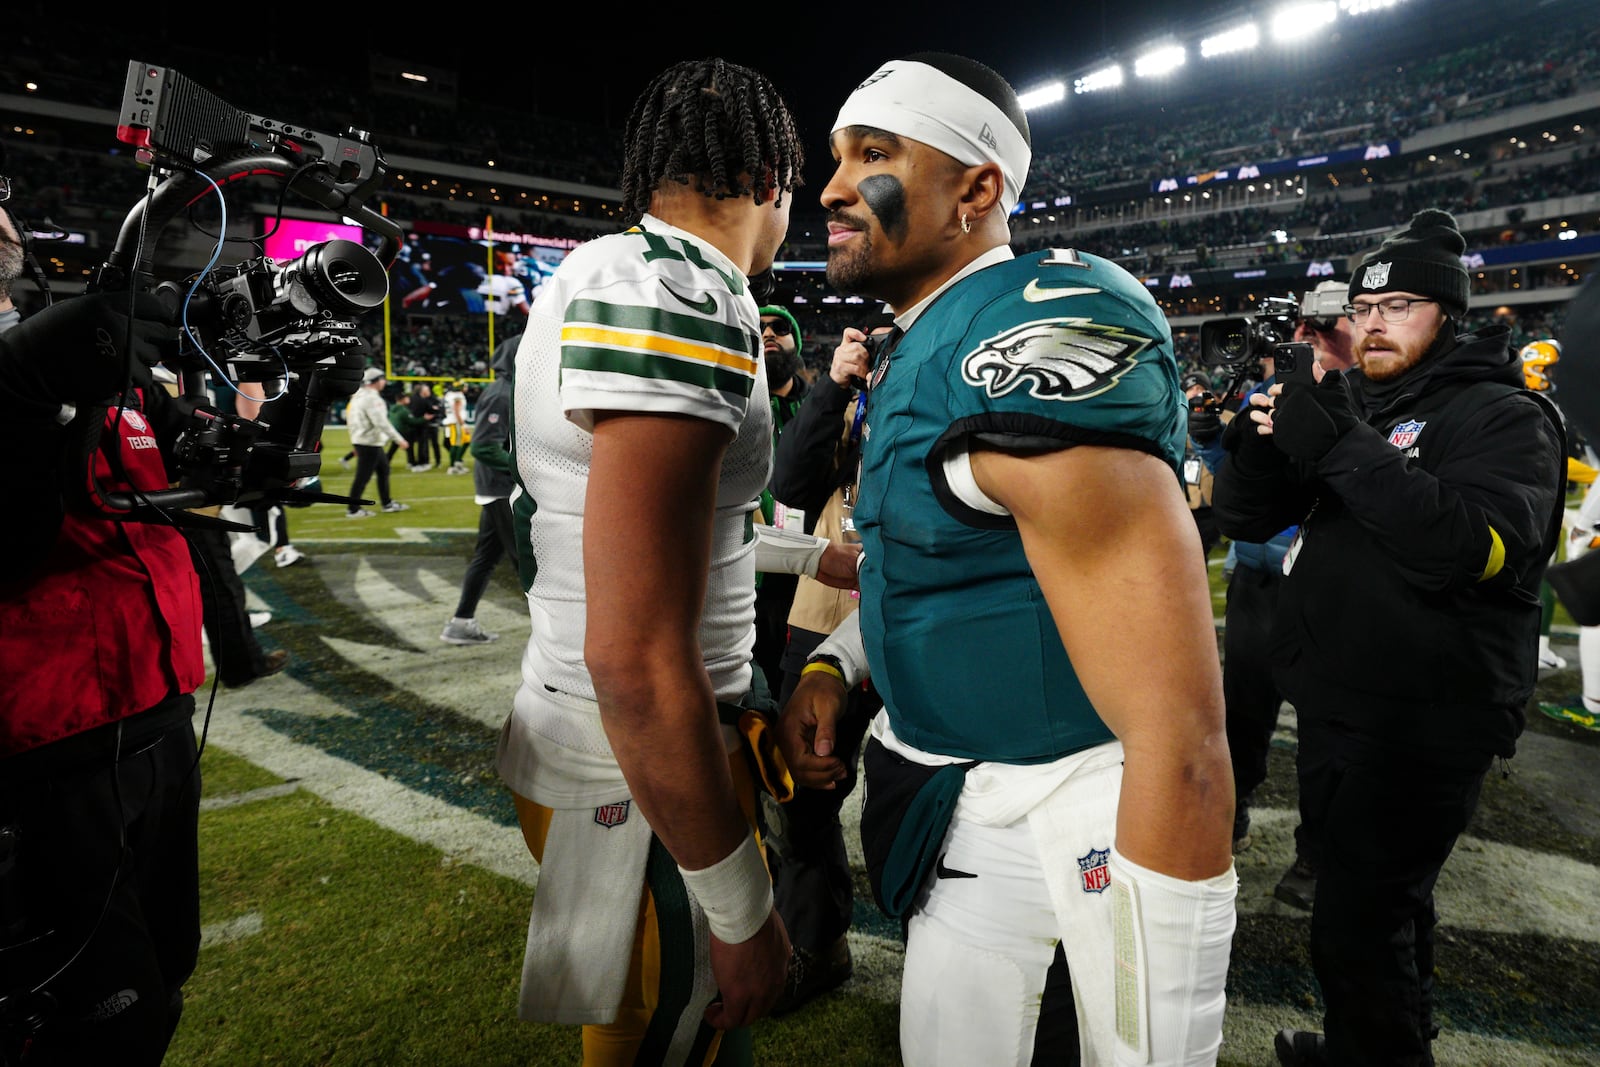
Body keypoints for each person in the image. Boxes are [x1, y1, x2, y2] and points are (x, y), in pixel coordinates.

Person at [779, 53, 1238, 1066]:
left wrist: (1159, 1021)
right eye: (837, 153)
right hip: (957, 792)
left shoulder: (1019, 333)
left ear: (978, 188)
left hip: (1074, 801)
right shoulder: (922, 341)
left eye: (875, 152)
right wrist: (842, 663)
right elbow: (949, 560)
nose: (831, 185)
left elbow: (1181, 736)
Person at [493, 57, 808, 1066]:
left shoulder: (601, 267)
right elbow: (632, 653)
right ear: (769, 177)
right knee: (684, 1028)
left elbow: (633, 508)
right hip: (644, 755)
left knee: (623, 1018)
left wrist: (812, 553)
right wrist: (740, 901)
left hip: (585, 736)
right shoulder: (682, 289)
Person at [1211, 208, 1566, 1066]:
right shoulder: (1364, 405)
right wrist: (1258, 448)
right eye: (1365, 306)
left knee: (1357, 922)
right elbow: (1245, 518)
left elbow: (1469, 549)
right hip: (1344, 701)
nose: (1373, 322)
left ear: (1450, 314)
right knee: (1385, 910)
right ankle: (1368, 1045)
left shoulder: (1504, 415)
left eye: (1400, 303)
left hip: (1427, 717)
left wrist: (1340, 445)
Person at [0, 288, 205, 1065]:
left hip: (160, 710)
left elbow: (206, 460)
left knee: (164, 978)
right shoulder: (37, 361)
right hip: (40, 745)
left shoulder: (96, 358)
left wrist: (290, 400)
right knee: (90, 1021)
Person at [763, 318, 893, 1016]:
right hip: (822, 618)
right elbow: (790, 482)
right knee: (802, 784)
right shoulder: (840, 401)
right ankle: (814, 942)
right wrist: (835, 385)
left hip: (916, 618)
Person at [440, 341, 515, 646]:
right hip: (502, 488)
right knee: (528, 561)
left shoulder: (507, 389)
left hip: (499, 486)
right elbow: (483, 446)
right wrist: (523, 467)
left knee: (485, 557)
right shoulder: (502, 393)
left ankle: (460, 624)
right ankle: (561, 642)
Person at [752, 303, 809, 697]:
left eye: (780, 326)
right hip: (755, 578)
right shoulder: (735, 408)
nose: (769, 332)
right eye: (759, 328)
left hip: (815, 573)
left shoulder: (827, 407)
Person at [344, 368, 410, 518]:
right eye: (382, 379)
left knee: (384, 470)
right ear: (376, 381)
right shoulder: (372, 399)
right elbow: (381, 422)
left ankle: (387, 503)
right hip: (369, 442)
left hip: (364, 440)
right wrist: (399, 439)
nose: (385, 382)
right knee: (363, 476)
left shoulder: (358, 397)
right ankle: (353, 509)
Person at [441, 378, 471, 475]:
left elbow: (447, 410)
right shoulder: (458, 396)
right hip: (456, 422)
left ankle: (457, 462)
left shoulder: (449, 394)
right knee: (456, 444)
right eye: (465, 385)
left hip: (452, 421)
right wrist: (463, 425)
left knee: (466, 441)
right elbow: (456, 411)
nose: (466, 387)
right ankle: (452, 467)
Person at [410, 382, 442, 470]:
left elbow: (439, 409)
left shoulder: (432, 398)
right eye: (426, 390)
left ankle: (436, 461)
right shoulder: (421, 400)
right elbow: (432, 410)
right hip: (424, 424)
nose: (428, 391)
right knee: (423, 444)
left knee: (433, 444)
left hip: (431, 424)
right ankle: (423, 462)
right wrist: (434, 409)